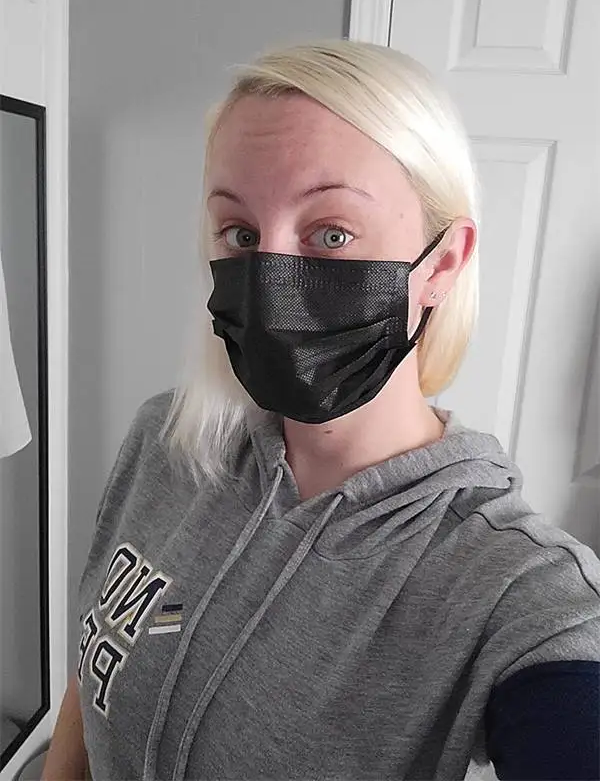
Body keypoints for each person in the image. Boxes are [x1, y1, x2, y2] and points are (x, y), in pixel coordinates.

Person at [43, 38, 600, 781]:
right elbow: (98, 660)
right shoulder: (166, 438)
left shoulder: (513, 586)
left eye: (331, 233)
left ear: (441, 264)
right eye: (241, 234)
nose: (270, 275)